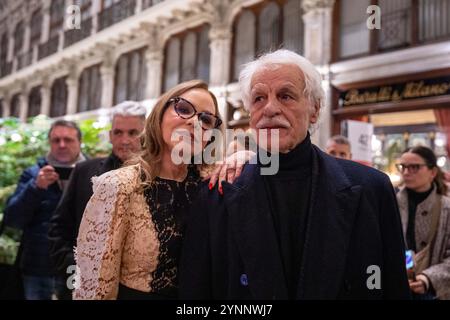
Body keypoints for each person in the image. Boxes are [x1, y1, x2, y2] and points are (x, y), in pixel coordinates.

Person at [179, 49, 410, 300]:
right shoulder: (216, 195)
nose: (269, 109)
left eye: (285, 96)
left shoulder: (372, 189)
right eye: (258, 99)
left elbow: (394, 289)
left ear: (315, 109)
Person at [73, 80, 249, 299]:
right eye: (184, 109)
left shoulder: (213, 180)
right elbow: (93, 288)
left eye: (206, 119)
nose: (195, 122)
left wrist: (247, 158)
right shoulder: (117, 186)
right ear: (160, 114)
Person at [48, 101, 146, 299]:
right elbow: (59, 227)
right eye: (118, 132)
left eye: (133, 133)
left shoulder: (155, 177)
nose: (125, 140)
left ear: (145, 135)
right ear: (110, 136)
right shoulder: (85, 171)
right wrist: (75, 268)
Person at [3, 120, 85, 300]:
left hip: (77, 266)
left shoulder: (91, 173)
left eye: (68, 140)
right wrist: (35, 187)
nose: (62, 145)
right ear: (49, 143)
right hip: (38, 266)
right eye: (56, 140)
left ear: (79, 142)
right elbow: (13, 220)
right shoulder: (33, 174)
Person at [396, 146, 450, 299]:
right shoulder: (390, 202)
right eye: (403, 167)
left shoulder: (446, 208)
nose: (406, 172)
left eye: (414, 167)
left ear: (432, 172)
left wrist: (428, 278)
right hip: (396, 288)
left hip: (434, 293)